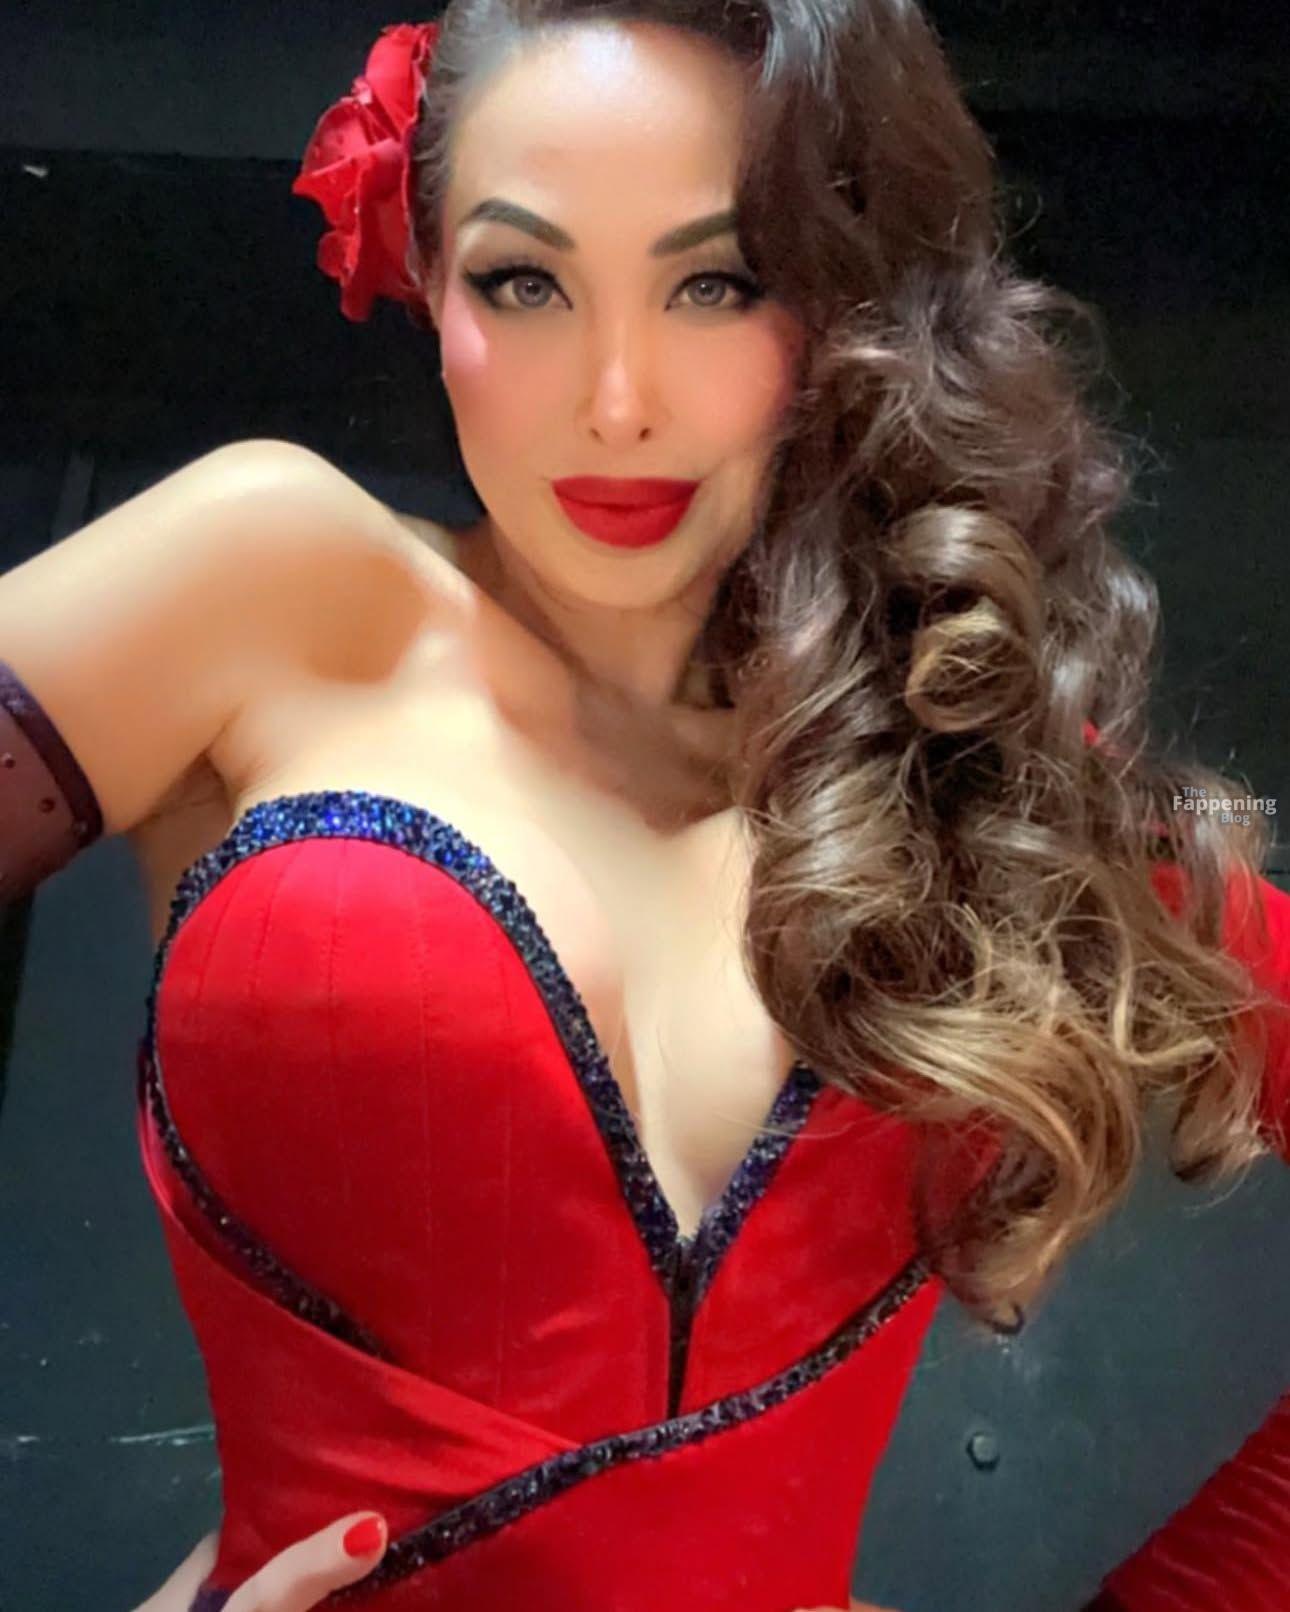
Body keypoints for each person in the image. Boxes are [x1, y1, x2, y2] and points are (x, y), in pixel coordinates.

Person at [2, 3, 1286, 1609]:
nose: (616, 401)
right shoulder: (273, 588)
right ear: (426, 280)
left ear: (840, 304)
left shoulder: (969, 767)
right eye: (523, 282)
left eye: (717, 282)